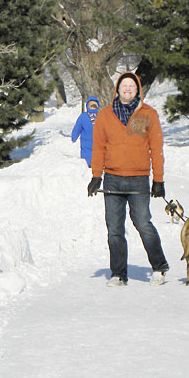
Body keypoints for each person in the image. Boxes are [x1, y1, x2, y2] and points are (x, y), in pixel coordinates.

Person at [87, 71, 169, 286]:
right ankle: (118, 274)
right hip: (112, 178)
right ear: (117, 89)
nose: (127, 89)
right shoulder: (105, 115)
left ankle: (159, 267)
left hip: (138, 179)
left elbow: (156, 148)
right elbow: (99, 147)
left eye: (132, 86)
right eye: (124, 85)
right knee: (114, 228)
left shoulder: (148, 114)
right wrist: (96, 176)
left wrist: (158, 180)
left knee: (143, 223)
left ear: (138, 89)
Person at [71, 96, 100, 166]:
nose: (93, 108)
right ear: (87, 106)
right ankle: (88, 164)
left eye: (94, 106)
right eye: (91, 106)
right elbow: (77, 127)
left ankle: (99, 163)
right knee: (87, 154)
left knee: (99, 153)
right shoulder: (83, 116)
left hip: (99, 141)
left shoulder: (101, 116)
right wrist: (74, 137)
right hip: (86, 142)